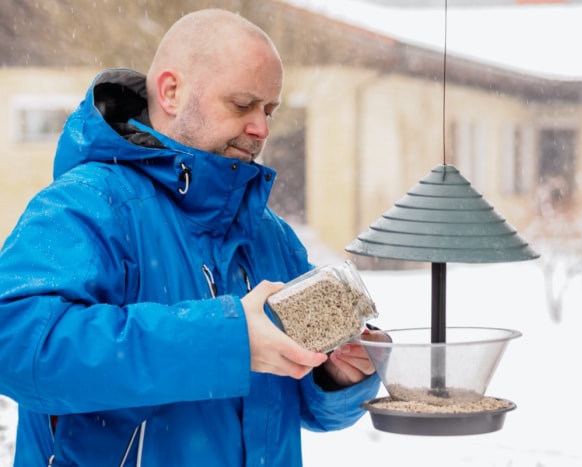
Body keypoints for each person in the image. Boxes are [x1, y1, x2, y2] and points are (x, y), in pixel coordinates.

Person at [0, 9, 382, 466]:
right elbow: (19, 345)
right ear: (171, 91)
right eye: (243, 105)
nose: (261, 127)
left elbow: (289, 403)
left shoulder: (269, 235)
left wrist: (335, 377)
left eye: (269, 110)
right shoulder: (88, 204)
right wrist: (227, 340)